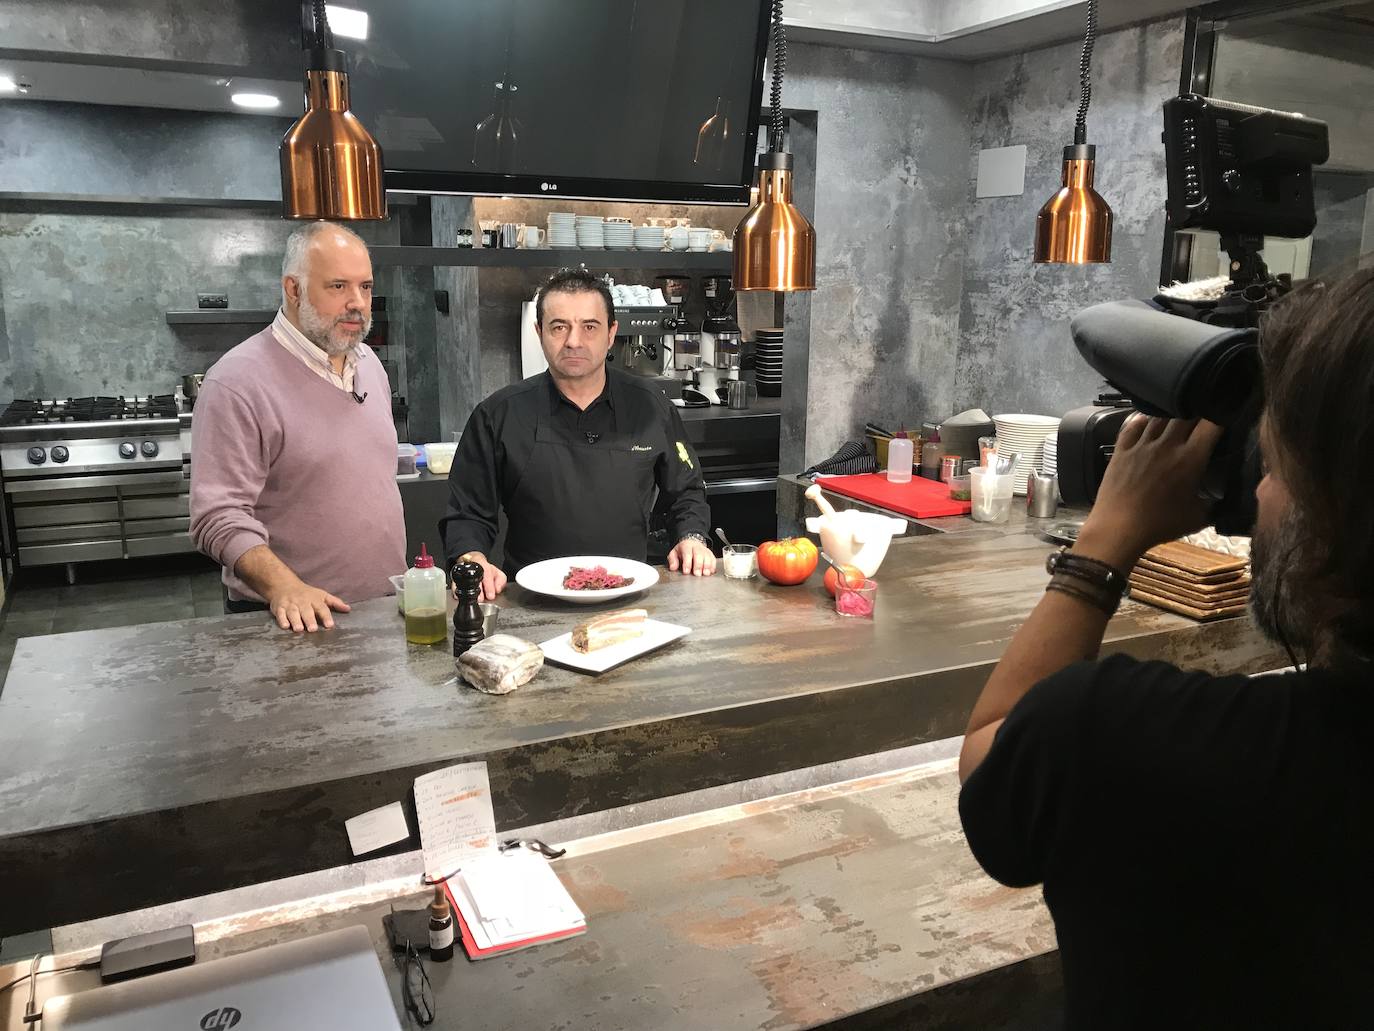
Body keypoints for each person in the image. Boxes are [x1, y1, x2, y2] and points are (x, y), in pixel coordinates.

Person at [957, 268, 1374, 1028]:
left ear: (1334, 520)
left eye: (1274, 466)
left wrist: (1105, 540)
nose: (1256, 493)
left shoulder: (1120, 735)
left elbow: (995, 756)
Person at [441, 267, 714, 599]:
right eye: (559, 327)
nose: (573, 341)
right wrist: (472, 557)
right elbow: (467, 512)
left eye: (589, 326)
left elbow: (686, 492)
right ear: (539, 331)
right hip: (531, 600)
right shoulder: (498, 414)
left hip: (631, 595)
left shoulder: (651, 407)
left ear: (611, 333)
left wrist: (692, 537)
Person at [190, 222, 405, 633]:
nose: (357, 303)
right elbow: (217, 516)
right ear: (293, 289)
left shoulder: (369, 365)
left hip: (380, 610)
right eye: (338, 287)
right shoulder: (236, 382)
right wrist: (285, 588)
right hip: (289, 621)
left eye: (365, 286)